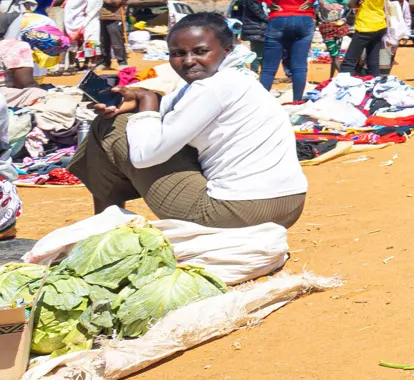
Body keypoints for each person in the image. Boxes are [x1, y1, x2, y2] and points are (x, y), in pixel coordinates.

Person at [70, 13, 307, 228]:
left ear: (226, 50)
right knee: (132, 118)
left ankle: (104, 226)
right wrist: (139, 97)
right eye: (178, 54)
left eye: (200, 51)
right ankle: (107, 219)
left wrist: (146, 102)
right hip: (289, 206)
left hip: (235, 212)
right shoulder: (238, 77)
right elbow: (173, 104)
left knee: (111, 124)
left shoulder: (210, 88)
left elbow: (144, 157)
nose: (188, 61)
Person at [233, 0, 346, 102]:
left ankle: (262, 103)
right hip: (304, 20)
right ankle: (297, 101)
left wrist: (267, 1)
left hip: (278, 20)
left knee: (269, 68)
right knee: (299, 67)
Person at [341, 0, 394, 78]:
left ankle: (341, 86)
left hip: (365, 24)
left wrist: (357, 7)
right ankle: (374, 85)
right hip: (380, 24)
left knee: (350, 60)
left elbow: (352, 2)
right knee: (373, 60)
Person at [97, 0, 134, 70]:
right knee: (104, 42)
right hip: (103, 17)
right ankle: (105, 62)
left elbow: (116, 2)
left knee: (116, 41)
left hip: (115, 17)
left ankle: (122, 62)